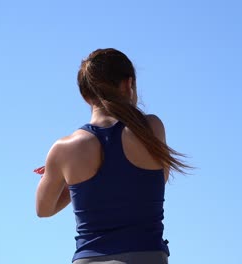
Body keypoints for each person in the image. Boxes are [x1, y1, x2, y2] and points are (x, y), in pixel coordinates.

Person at [35, 48, 191, 264]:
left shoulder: (63, 149)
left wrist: (71, 177)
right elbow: (156, 182)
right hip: (147, 256)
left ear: (84, 95)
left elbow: (43, 209)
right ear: (128, 84)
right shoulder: (152, 129)